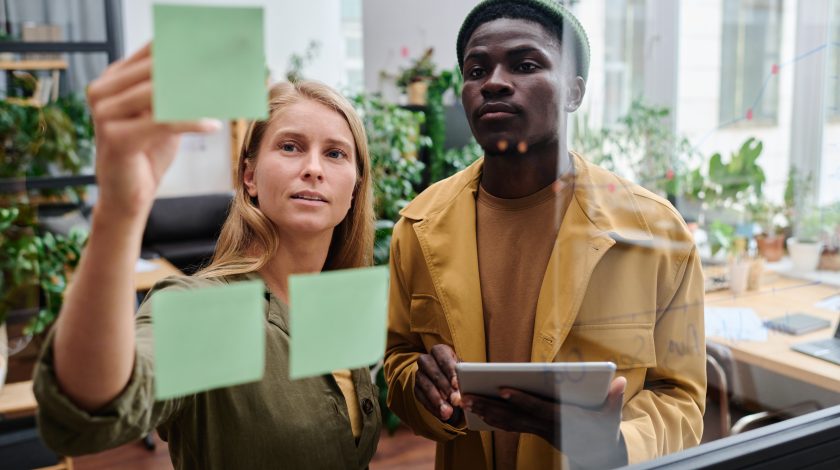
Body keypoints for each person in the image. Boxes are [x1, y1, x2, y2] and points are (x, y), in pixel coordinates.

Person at [383, 0, 706, 468]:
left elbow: (682, 400)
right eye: (476, 70)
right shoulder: (418, 226)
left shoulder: (654, 232)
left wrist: (612, 443)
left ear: (573, 92)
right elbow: (399, 363)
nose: (492, 82)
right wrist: (422, 387)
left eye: (525, 64)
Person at [33, 44, 381, 469]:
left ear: (355, 185)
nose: (314, 168)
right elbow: (86, 415)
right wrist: (120, 211)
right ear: (249, 176)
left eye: (335, 153)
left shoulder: (339, 303)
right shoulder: (213, 313)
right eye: (290, 147)